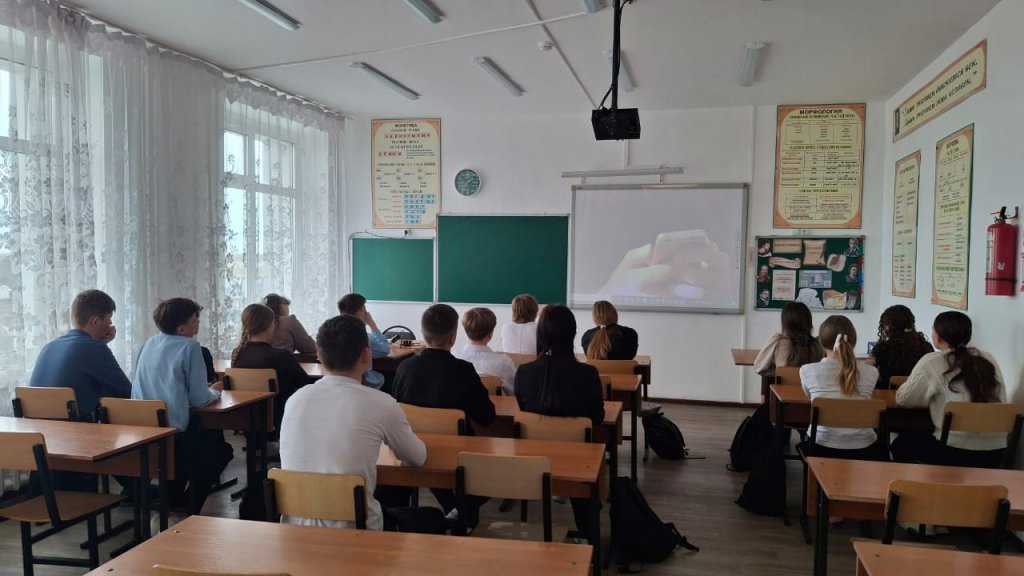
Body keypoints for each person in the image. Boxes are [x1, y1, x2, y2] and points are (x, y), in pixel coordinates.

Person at [279, 315, 426, 531]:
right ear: (366, 355)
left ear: (319, 355)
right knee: (429, 518)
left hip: (296, 531)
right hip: (356, 532)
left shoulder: (295, 400)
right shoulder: (382, 403)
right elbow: (417, 457)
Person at [393, 303, 496, 517]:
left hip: (415, 448)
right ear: (453, 337)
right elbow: (486, 417)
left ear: (423, 334)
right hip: (458, 454)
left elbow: (398, 408)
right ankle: (460, 510)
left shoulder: (404, 368)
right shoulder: (463, 371)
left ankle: (454, 508)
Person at [133, 298, 231, 514]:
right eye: (195, 319)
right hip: (175, 435)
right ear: (181, 327)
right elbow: (199, 399)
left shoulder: (148, 344)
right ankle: (187, 504)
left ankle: (173, 498)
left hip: (145, 434)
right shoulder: (190, 346)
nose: (198, 323)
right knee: (221, 452)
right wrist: (215, 390)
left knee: (194, 447)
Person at [514, 304, 603, 536]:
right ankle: (588, 536)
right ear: (573, 334)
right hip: (578, 462)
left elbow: (524, 411)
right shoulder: (588, 375)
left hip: (533, 459)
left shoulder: (524, 372)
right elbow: (597, 418)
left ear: (540, 334)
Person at [892, 311, 1007, 468]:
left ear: (938, 336)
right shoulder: (988, 358)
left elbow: (904, 399)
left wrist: (932, 400)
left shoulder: (933, 361)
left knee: (900, 444)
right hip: (996, 453)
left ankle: (926, 481)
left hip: (953, 450)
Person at [30, 289, 132, 421]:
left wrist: (100, 343)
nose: (111, 323)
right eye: (109, 318)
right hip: (75, 432)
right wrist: (100, 346)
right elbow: (128, 393)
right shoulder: (95, 349)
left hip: (39, 430)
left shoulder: (49, 347)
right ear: (95, 321)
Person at [799, 315, 883, 458]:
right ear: (853, 341)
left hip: (820, 446)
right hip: (864, 449)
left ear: (821, 342)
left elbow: (811, 398)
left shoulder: (807, 370)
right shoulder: (872, 372)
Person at [231, 303, 313, 429]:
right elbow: (305, 385)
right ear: (269, 325)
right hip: (281, 418)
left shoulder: (237, 354)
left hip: (248, 418)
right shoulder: (281, 356)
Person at [866, 305, 933, 389]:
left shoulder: (882, 348)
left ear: (887, 327)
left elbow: (870, 376)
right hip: (920, 394)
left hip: (887, 393)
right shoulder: (926, 347)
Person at [454, 307, 517, 396]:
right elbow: (514, 392)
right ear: (491, 334)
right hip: (493, 405)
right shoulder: (504, 363)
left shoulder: (453, 358)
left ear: (466, 330)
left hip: (459, 405)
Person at [753, 301, 824, 376]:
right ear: (808, 321)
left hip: (784, 383)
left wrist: (778, 371)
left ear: (785, 322)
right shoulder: (818, 344)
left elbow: (758, 367)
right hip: (810, 384)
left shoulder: (778, 341)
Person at [338, 293, 391, 390]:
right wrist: (372, 324)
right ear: (359, 313)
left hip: (340, 385)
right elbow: (385, 350)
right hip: (367, 384)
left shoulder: (331, 335)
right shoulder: (364, 337)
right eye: (365, 310)